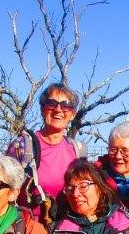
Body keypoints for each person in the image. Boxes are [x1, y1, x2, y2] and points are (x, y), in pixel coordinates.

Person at [5, 82, 86, 224]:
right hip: (29, 227)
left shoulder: (78, 150)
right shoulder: (22, 147)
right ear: (42, 109)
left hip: (68, 228)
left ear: (72, 114)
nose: (58, 110)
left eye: (66, 105)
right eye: (51, 103)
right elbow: (5, 191)